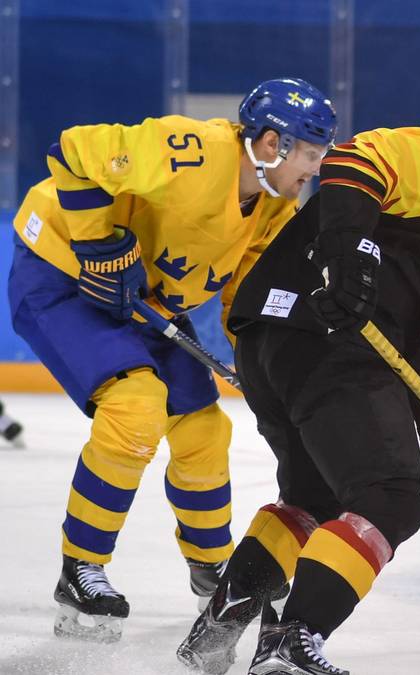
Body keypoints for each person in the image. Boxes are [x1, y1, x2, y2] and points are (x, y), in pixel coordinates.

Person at [176, 65, 420, 675]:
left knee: (312, 500)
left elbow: (410, 344)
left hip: (278, 342)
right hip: (328, 343)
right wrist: (348, 253)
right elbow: (355, 160)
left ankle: (217, 631)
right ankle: (291, 641)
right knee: (390, 498)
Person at [7, 77, 335, 643]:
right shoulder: (194, 150)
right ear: (270, 144)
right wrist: (98, 244)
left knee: (205, 429)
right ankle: (80, 568)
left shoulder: (276, 209)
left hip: (145, 302)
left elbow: (245, 300)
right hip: (61, 272)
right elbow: (73, 152)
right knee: (135, 408)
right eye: (310, 153)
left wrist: (265, 370)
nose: (316, 167)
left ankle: (212, 568)